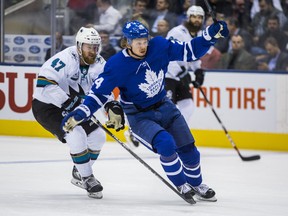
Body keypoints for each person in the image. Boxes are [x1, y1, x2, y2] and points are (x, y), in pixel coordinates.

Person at [61, 20, 229, 203]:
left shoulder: (159, 46)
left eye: (144, 40)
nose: (143, 46)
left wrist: (209, 35)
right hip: (140, 115)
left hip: (165, 106)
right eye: (138, 42)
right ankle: (181, 184)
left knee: (190, 151)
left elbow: (189, 51)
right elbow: (98, 94)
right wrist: (80, 113)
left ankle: (197, 184)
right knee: (166, 144)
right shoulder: (117, 65)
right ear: (127, 42)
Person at [32, 27, 110, 199]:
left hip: (75, 106)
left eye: (96, 47)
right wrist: (69, 102)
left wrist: (111, 107)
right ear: (79, 45)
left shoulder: (99, 63)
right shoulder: (65, 59)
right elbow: (45, 84)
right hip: (47, 107)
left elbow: (105, 89)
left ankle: (78, 171)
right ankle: (87, 177)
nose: (93, 51)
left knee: (98, 136)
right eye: (89, 47)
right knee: (76, 133)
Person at [165, 5, 206, 124]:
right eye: (194, 17)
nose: (197, 20)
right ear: (188, 17)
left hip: (180, 77)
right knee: (166, 108)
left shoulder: (199, 36)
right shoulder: (177, 32)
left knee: (188, 106)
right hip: (167, 75)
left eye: (200, 17)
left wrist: (198, 71)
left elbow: (194, 57)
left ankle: (178, 133)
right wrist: (181, 72)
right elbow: (168, 54)